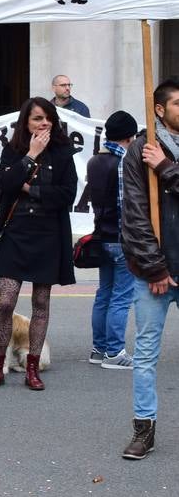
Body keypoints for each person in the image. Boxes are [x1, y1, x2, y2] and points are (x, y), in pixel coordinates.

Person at [0, 97, 77, 391]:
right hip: (16, 234)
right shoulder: (13, 150)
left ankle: (32, 368)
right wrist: (31, 155)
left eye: (48, 117)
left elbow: (66, 195)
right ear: (26, 122)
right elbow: (5, 184)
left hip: (48, 236)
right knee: (6, 302)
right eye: (37, 118)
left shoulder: (63, 152)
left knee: (40, 304)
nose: (44, 123)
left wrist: (29, 188)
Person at [121, 78, 179, 460]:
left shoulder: (161, 156)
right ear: (159, 109)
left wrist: (169, 169)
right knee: (144, 353)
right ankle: (145, 429)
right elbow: (136, 216)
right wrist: (155, 268)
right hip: (154, 272)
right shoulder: (141, 149)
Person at [88, 111, 139, 370]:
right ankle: (114, 352)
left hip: (101, 236)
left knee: (104, 294)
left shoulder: (96, 159)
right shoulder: (122, 161)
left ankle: (99, 348)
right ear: (129, 137)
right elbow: (125, 205)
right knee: (121, 297)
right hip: (121, 238)